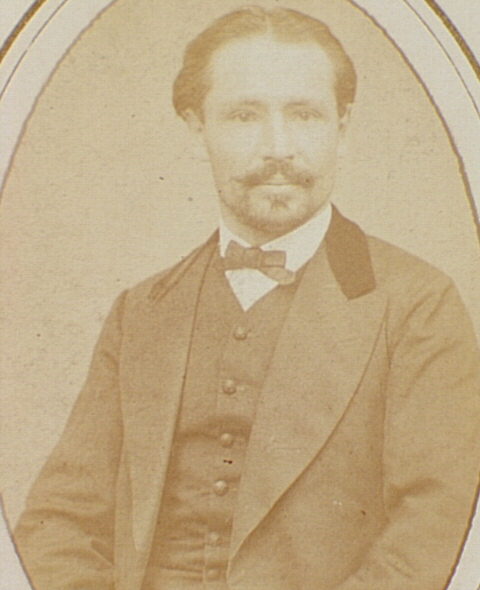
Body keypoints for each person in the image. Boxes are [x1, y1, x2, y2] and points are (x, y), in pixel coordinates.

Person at [14, 6, 480, 590]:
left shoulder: (416, 306)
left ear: (342, 128)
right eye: (243, 116)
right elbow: (58, 523)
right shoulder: (141, 312)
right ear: (196, 129)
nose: (277, 147)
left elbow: (435, 535)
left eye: (304, 114)